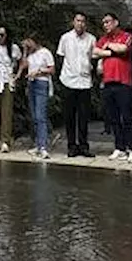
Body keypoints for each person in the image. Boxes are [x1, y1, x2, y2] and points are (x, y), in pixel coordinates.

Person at [93, 12, 132, 163]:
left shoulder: (126, 35)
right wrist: (110, 50)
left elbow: (124, 49)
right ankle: (120, 147)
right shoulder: (103, 39)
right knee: (113, 118)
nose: (105, 25)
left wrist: (108, 50)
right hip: (108, 82)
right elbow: (95, 52)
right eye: (104, 23)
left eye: (108, 22)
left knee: (127, 117)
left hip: (123, 83)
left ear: (116, 22)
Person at [56, 13, 96, 158]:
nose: (80, 24)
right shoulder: (65, 38)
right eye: (78, 21)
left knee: (84, 117)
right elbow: (60, 57)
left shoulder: (91, 39)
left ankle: (84, 146)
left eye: (83, 21)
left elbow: (94, 58)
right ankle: (71, 146)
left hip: (85, 82)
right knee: (69, 116)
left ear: (86, 24)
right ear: (73, 22)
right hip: (68, 81)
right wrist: (64, 75)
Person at [21, 34, 55, 159]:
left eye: (30, 42)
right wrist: (25, 51)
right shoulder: (30, 54)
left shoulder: (45, 52)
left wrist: (40, 71)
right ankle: (37, 143)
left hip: (41, 82)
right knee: (34, 116)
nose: (28, 44)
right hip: (31, 83)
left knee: (41, 116)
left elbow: (52, 70)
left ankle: (43, 147)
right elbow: (23, 65)